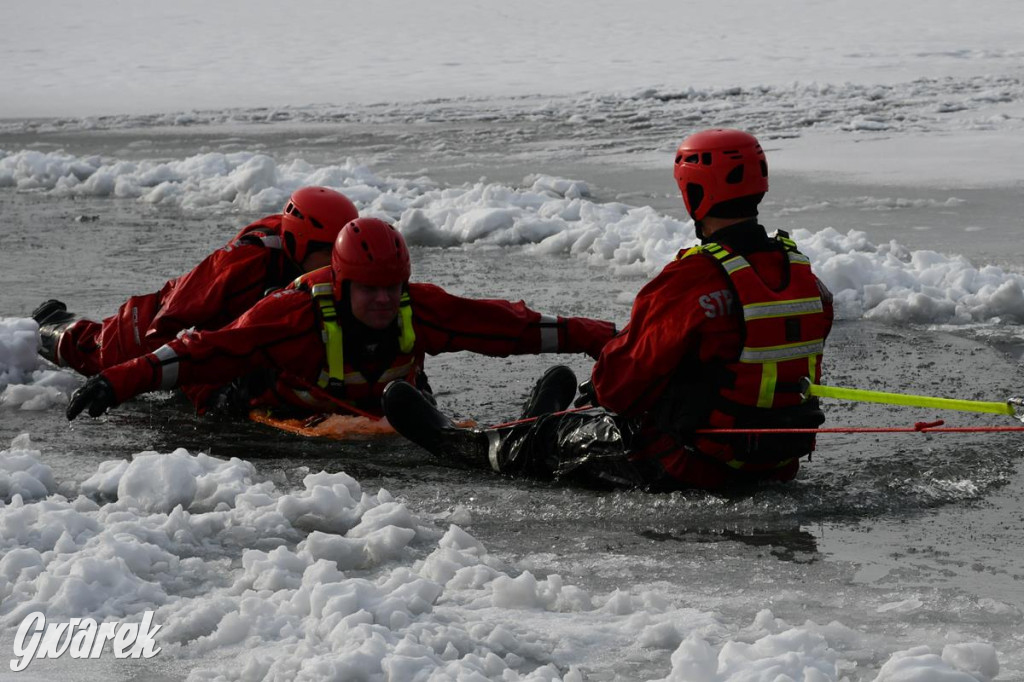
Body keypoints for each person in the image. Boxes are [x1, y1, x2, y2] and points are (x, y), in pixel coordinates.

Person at [382, 128, 834, 490]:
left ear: (694, 195)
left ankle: (475, 443)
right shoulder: (803, 275)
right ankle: (543, 416)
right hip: (772, 465)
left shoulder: (689, 281)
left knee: (549, 443)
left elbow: (618, 388)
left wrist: (606, 378)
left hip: (684, 466)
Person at [65, 217, 617, 421]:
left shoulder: (415, 305)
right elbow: (205, 349)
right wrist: (118, 380)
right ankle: (56, 331)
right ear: (344, 284)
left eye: (391, 289)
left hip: (387, 410)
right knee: (220, 389)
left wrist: (597, 335)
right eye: (371, 291)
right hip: (286, 410)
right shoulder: (292, 316)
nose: (384, 302)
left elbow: (506, 327)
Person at [32, 186, 358, 376]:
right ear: (298, 244)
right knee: (111, 352)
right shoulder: (243, 263)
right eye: (329, 252)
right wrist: (163, 350)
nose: (339, 261)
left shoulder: (337, 263)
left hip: (247, 318)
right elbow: (182, 305)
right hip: (190, 308)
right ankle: (49, 327)